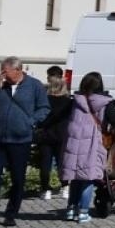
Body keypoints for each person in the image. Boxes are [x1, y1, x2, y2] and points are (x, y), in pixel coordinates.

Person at [0, 57, 50, 228]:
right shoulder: (0, 87)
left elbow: (44, 108)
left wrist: (31, 121)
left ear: (18, 70)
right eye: (1, 71)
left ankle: (11, 213)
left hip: (20, 139)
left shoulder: (34, 85)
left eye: (5, 71)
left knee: (18, 178)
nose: (2, 74)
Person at [61, 71, 115, 221]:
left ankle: (71, 209)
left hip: (73, 146)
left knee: (75, 178)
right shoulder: (105, 103)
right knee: (88, 178)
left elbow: (57, 115)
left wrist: (41, 124)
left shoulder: (75, 101)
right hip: (92, 145)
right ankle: (84, 212)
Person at [35, 66, 72, 199]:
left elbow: (40, 117)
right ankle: (65, 188)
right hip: (62, 135)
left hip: (46, 135)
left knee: (45, 163)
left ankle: (46, 190)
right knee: (62, 162)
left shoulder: (45, 100)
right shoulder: (69, 102)